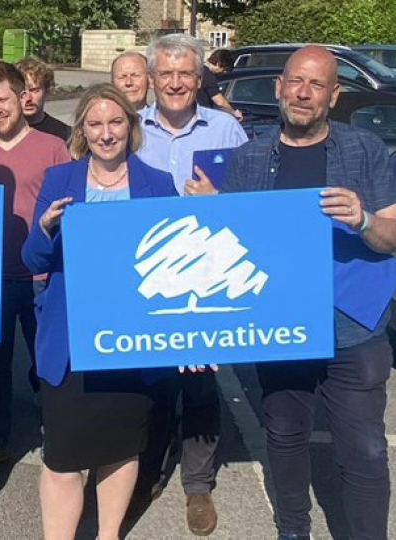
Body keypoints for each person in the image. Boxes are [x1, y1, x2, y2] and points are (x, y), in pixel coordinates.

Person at [223, 45, 396, 540]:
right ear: (279, 87)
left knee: (365, 450)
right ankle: (293, 529)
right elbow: (232, 247)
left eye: (317, 84)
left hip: (354, 324)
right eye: (296, 81)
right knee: (284, 435)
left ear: (334, 95)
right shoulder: (249, 157)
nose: (303, 93)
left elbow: (392, 236)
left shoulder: (365, 149)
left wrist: (364, 220)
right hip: (281, 322)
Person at [22, 83, 177, 540]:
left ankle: (108, 535)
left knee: (120, 448)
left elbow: (172, 266)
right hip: (71, 339)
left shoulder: (159, 185)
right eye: (95, 124)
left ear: (130, 126)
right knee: (63, 457)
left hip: (131, 338)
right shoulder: (60, 180)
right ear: (82, 130)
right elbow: (32, 259)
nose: (106, 133)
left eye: (115, 122)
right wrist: (46, 227)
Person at [135, 33, 248, 536]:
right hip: (148, 268)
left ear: (200, 78)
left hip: (207, 271)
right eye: (167, 73)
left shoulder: (227, 129)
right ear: (151, 79)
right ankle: (147, 469)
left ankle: (198, 484)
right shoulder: (129, 127)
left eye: (186, 73)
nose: (176, 83)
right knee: (150, 377)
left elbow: (254, 203)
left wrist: (219, 202)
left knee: (200, 380)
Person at [0, 61, 70, 476]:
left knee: (48, 364)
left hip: (42, 278)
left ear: (22, 98)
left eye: (2, 99)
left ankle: (57, 438)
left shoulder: (53, 147)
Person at [14, 57, 71, 142]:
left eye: (34, 90)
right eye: (21, 91)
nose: (28, 98)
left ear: (46, 91)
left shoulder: (65, 134)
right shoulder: (0, 132)